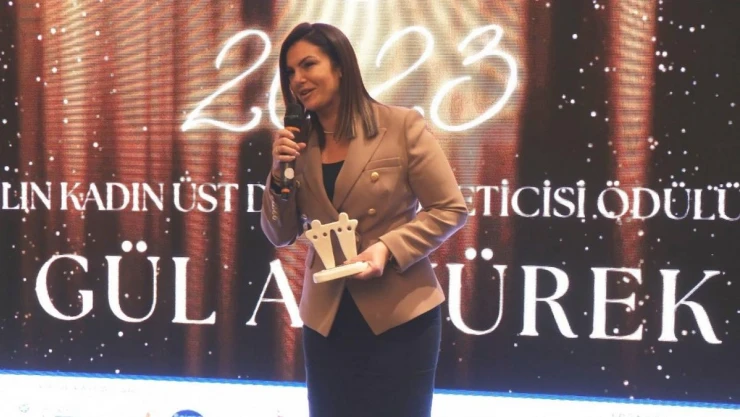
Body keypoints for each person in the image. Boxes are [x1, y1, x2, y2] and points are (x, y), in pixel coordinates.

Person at [261, 22, 467, 417]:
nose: (298, 79)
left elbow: (450, 209)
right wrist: (278, 172)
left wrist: (387, 249)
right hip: (327, 318)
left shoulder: (400, 126)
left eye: (308, 65)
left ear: (340, 67)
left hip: (400, 314)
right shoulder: (297, 145)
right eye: (289, 72)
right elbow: (279, 234)